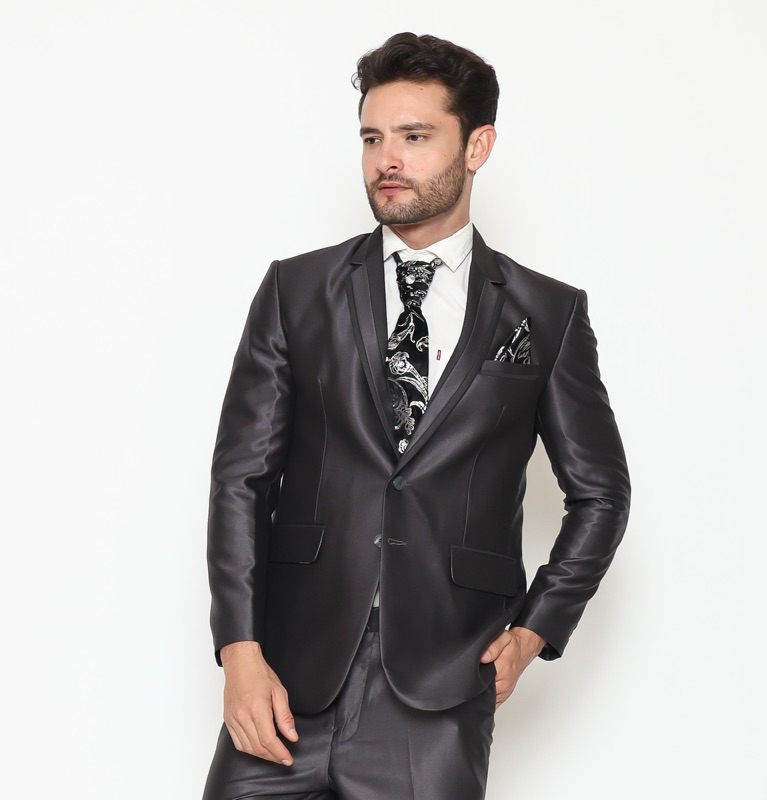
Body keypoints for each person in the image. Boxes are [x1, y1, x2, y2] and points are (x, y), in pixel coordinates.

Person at [203, 31, 630, 800]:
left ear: (477, 146)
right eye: (372, 138)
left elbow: (600, 493)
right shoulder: (296, 291)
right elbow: (241, 479)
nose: (386, 160)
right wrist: (240, 651)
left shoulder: (546, 313)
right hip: (288, 678)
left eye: (414, 136)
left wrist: (536, 626)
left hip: (440, 689)